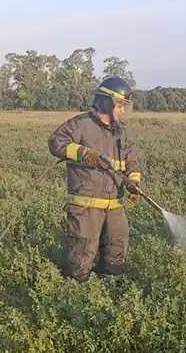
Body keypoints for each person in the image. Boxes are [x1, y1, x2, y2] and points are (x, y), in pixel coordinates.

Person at [47, 76, 145, 282]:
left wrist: (134, 183)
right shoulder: (80, 124)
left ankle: (110, 288)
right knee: (82, 252)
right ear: (107, 102)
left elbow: (131, 158)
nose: (122, 110)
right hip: (86, 206)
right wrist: (85, 153)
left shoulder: (121, 131)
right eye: (120, 105)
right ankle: (74, 292)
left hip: (115, 205)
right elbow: (56, 142)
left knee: (117, 247)